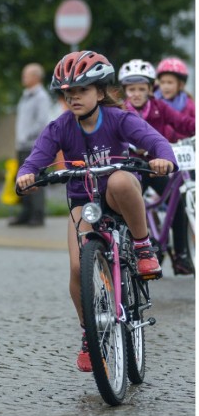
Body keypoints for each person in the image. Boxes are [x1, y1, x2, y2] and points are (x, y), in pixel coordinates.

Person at [16, 50, 176, 372]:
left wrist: (162, 158)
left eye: (82, 90)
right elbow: (36, 159)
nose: (74, 98)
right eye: (68, 93)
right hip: (82, 203)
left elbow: (156, 142)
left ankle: (143, 247)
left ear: (100, 92)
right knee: (77, 268)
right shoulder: (59, 127)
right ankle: (90, 334)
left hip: (118, 198)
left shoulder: (120, 118)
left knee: (119, 180)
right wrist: (26, 175)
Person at [118, 58, 194, 274]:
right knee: (130, 204)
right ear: (124, 90)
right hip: (134, 168)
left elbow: (183, 122)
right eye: (131, 89)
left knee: (177, 201)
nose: (136, 93)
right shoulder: (120, 111)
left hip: (157, 166)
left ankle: (180, 256)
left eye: (142, 88)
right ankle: (135, 250)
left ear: (151, 89)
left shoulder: (160, 107)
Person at [9, 63, 53, 227]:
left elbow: (42, 122)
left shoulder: (41, 96)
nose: (23, 77)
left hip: (34, 145)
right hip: (22, 145)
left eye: (26, 75)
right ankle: (26, 212)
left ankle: (37, 214)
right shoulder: (26, 95)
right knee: (22, 179)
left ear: (36, 77)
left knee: (34, 179)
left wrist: (26, 135)